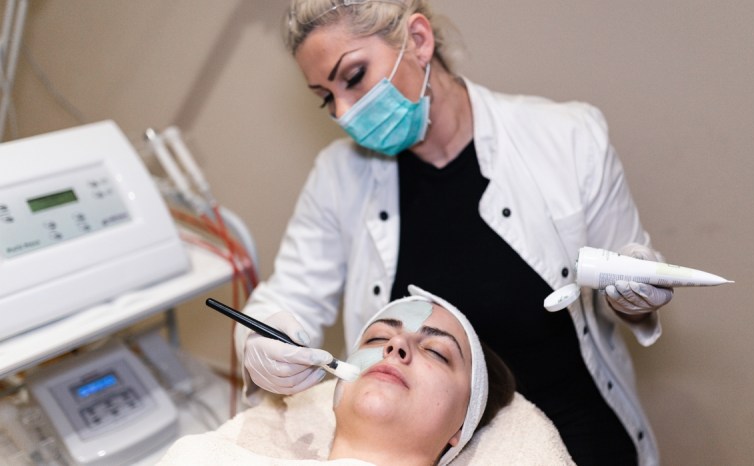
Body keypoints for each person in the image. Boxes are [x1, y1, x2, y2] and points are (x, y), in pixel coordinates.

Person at [236, 1, 673, 464]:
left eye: (354, 76)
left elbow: (628, 274)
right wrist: (264, 342)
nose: (343, 112)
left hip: (582, 433)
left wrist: (634, 297)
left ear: (419, 41)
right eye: (326, 96)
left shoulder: (568, 137)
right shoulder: (337, 179)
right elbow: (286, 300)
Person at [160, 287, 523, 465]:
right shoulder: (202, 457)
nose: (395, 345)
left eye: (436, 352)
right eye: (379, 337)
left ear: (461, 428)